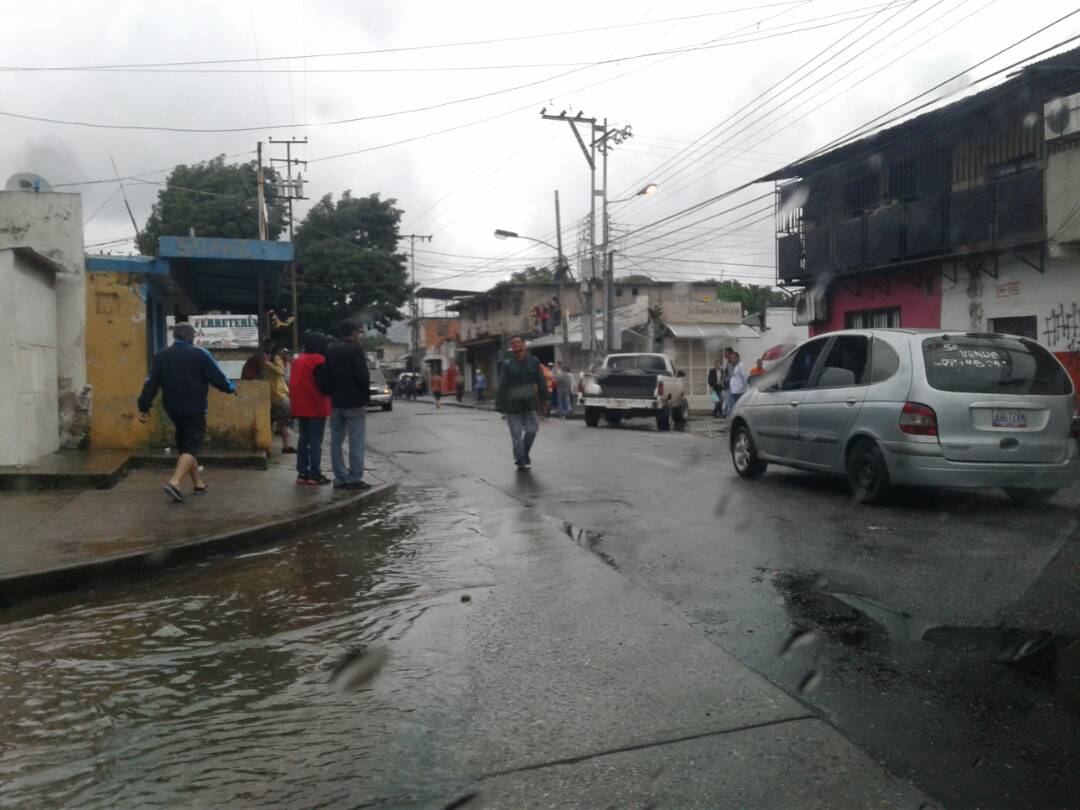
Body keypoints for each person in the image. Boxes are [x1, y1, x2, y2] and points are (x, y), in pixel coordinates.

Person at [137, 321, 237, 502]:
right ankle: (174, 482)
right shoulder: (201, 354)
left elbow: (151, 384)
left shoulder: (161, 356)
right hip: (195, 407)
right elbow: (218, 378)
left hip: (172, 408)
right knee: (191, 445)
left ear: (175, 336)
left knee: (185, 445)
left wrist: (144, 406)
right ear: (192, 337)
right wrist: (231, 388)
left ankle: (198, 483)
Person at [322, 319, 371, 490]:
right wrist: (366, 396)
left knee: (336, 441)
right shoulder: (356, 349)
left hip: (336, 403)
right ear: (353, 332)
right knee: (356, 440)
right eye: (358, 332)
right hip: (355, 402)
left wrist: (331, 394)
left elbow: (325, 376)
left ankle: (340, 478)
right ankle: (354, 478)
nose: (359, 335)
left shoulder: (331, 349)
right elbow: (363, 376)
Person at [495, 335, 546, 470]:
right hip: (513, 406)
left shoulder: (534, 361)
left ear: (523, 344)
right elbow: (502, 385)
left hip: (529, 403)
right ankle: (521, 460)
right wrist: (500, 404)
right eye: (513, 343)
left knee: (532, 430)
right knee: (516, 436)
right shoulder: (507, 364)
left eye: (518, 342)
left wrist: (544, 398)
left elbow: (541, 380)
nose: (515, 345)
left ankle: (524, 454)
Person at [290, 331, 331, 485]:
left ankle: (302, 473)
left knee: (303, 438)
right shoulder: (319, 360)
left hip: (300, 406)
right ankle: (315, 474)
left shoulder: (298, 360)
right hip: (315, 406)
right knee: (315, 441)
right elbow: (324, 386)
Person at [264, 343, 296, 454]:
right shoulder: (272, 363)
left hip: (277, 395)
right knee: (285, 418)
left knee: (281, 422)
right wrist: (270, 362)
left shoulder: (270, 363)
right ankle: (274, 445)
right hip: (278, 396)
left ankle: (285, 446)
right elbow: (280, 371)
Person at [727, 349, 748, 413]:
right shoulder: (732, 366)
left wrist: (744, 389)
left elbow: (744, 377)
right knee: (734, 406)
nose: (733, 360)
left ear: (738, 358)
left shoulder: (741, 365)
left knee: (738, 406)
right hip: (733, 390)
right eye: (732, 358)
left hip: (739, 390)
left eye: (734, 358)